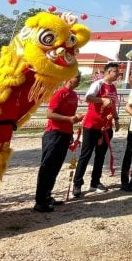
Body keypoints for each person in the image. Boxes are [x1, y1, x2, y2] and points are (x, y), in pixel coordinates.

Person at [34, 72, 83, 212]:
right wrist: (69, 119)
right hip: (53, 134)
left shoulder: (74, 95)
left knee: (55, 167)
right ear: (68, 78)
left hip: (65, 134)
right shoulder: (60, 93)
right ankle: (40, 201)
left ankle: (48, 195)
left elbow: (70, 116)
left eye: (80, 78)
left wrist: (71, 130)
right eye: (76, 78)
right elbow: (50, 114)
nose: (78, 81)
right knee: (47, 167)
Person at [72, 62, 120, 197]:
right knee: (86, 154)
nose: (118, 74)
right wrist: (101, 100)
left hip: (106, 127)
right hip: (92, 125)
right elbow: (88, 98)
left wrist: (116, 119)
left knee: (100, 155)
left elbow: (113, 106)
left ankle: (95, 182)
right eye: (116, 72)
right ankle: (77, 183)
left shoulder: (113, 88)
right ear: (109, 72)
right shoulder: (98, 84)